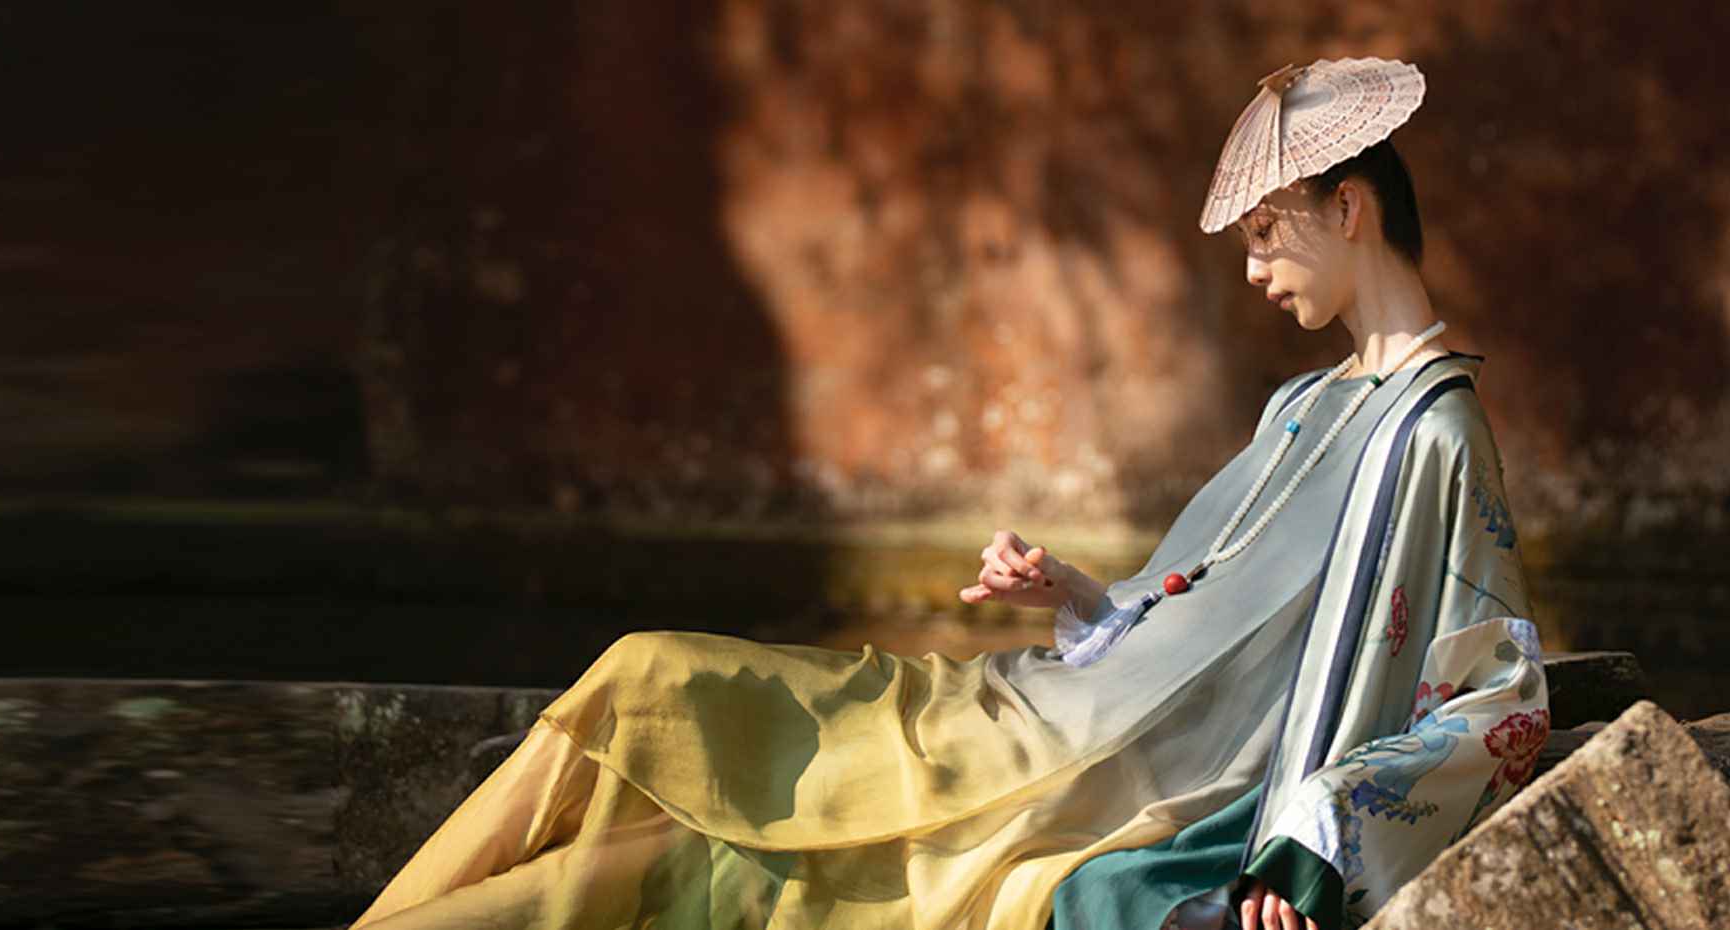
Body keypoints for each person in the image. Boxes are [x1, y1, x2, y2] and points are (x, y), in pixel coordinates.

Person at [348, 57, 1546, 930]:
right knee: (643, 683)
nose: (1251, 270)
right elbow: (1207, 601)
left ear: (1348, 208)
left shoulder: (1435, 432)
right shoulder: (1302, 404)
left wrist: (1321, 829)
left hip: (1103, 778)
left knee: (698, 794)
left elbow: (1498, 696)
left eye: (1266, 234)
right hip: (1049, 711)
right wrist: (1075, 594)